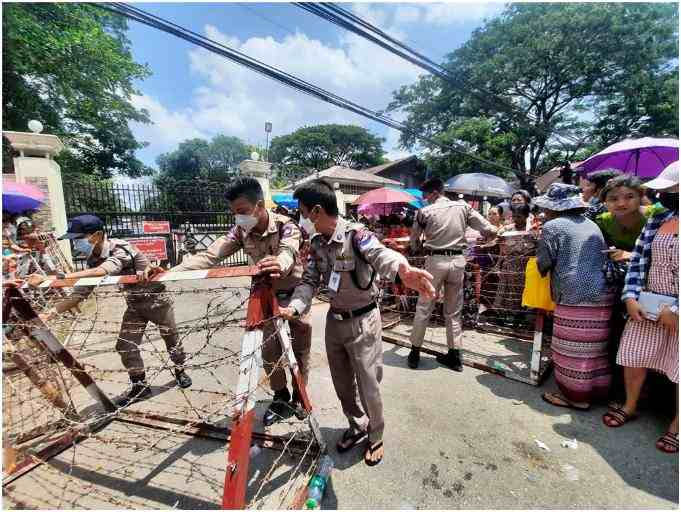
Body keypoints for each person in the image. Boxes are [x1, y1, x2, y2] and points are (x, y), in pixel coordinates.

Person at [278, 179, 435, 467]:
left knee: (368, 384)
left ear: (315, 211)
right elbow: (310, 280)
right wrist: (296, 306)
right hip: (334, 322)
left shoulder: (356, 235)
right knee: (343, 384)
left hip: (363, 321)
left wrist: (402, 270)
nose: (299, 219)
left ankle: (376, 435)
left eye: (301, 212)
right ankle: (356, 424)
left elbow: (380, 254)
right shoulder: (317, 243)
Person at [147, 177, 312, 427]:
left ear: (259, 205)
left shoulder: (285, 226)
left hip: (294, 294)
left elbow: (288, 251)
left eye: (242, 211)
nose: (238, 218)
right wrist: (171, 272)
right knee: (269, 352)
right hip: (265, 298)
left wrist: (279, 263)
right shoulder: (240, 231)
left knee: (299, 349)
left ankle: (300, 396)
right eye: (234, 213)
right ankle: (281, 397)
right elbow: (210, 255)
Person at [28, 215, 191, 407]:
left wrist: (61, 277)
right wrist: (51, 313)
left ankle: (180, 370)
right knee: (125, 345)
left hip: (157, 301)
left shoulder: (120, 248)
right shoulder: (92, 259)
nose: (75, 243)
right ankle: (140, 385)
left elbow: (105, 269)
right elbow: (80, 293)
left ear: (97, 235)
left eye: (78, 238)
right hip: (134, 305)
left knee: (171, 339)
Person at [603, 161, 679, 454]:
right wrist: (631, 296)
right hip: (649, 301)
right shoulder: (658, 220)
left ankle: (676, 427)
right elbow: (639, 261)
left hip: (676, 309)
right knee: (633, 357)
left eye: (671, 190)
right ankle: (630, 405)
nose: (665, 195)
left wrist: (676, 312)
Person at [535, 184, 614, 411]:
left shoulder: (553, 226)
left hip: (574, 294)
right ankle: (598, 391)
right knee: (594, 349)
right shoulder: (591, 224)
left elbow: (544, 261)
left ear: (554, 208)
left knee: (571, 349)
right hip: (603, 293)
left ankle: (576, 397)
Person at [407, 177, 497, 371]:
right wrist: (490, 233)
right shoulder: (463, 207)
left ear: (434, 193)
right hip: (458, 262)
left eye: (425, 194)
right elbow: (489, 228)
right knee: (453, 311)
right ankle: (455, 357)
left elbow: (413, 243)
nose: (424, 198)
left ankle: (414, 353)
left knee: (424, 306)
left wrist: (420, 245)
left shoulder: (423, 212)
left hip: (435, 262)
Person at [492, 204, 537, 325]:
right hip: (508, 268)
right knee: (506, 293)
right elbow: (501, 249)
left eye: (520, 216)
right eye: (514, 216)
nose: (516, 219)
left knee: (521, 294)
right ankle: (505, 318)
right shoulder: (507, 231)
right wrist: (498, 265)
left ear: (526, 216)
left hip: (524, 270)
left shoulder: (532, 232)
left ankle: (520, 319)